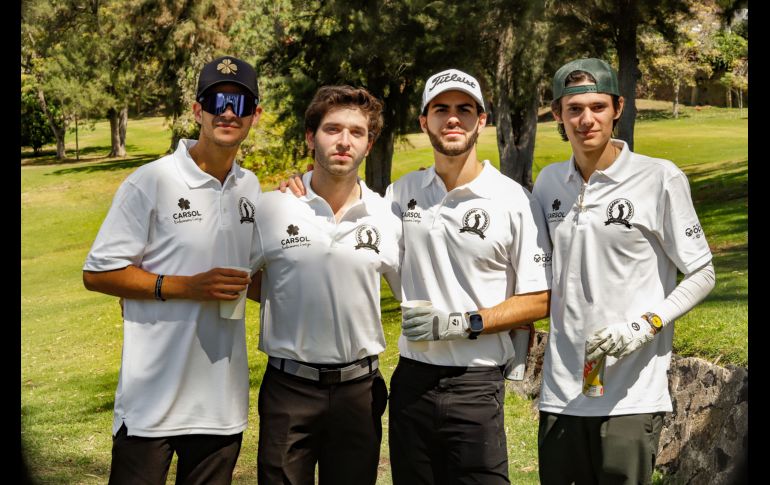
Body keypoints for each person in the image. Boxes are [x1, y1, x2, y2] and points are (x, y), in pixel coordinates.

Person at [532, 58, 716, 485]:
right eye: (573, 108)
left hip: (630, 396)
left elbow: (703, 272)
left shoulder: (659, 178)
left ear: (618, 107)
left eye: (598, 106)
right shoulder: (548, 183)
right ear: (557, 114)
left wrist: (645, 324)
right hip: (561, 394)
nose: (586, 119)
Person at [82, 55, 263, 484]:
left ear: (254, 116)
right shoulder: (151, 181)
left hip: (220, 407)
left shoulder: (251, 187)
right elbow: (98, 272)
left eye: (240, 104)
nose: (227, 112)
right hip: (151, 406)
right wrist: (185, 285)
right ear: (197, 110)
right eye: (216, 100)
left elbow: (257, 278)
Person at [385, 69, 552, 484]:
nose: (452, 118)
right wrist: (302, 186)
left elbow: (541, 298)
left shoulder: (514, 199)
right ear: (424, 122)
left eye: (465, 109)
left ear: (482, 120)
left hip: (476, 383)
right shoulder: (399, 193)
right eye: (441, 109)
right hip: (412, 379)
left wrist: (463, 323)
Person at [252, 85, 402, 484]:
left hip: (359, 391)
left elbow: (415, 297)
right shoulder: (272, 208)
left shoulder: (387, 217)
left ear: (369, 144)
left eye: (357, 132)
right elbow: (235, 281)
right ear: (310, 137)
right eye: (332, 129)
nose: (344, 141)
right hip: (289, 390)